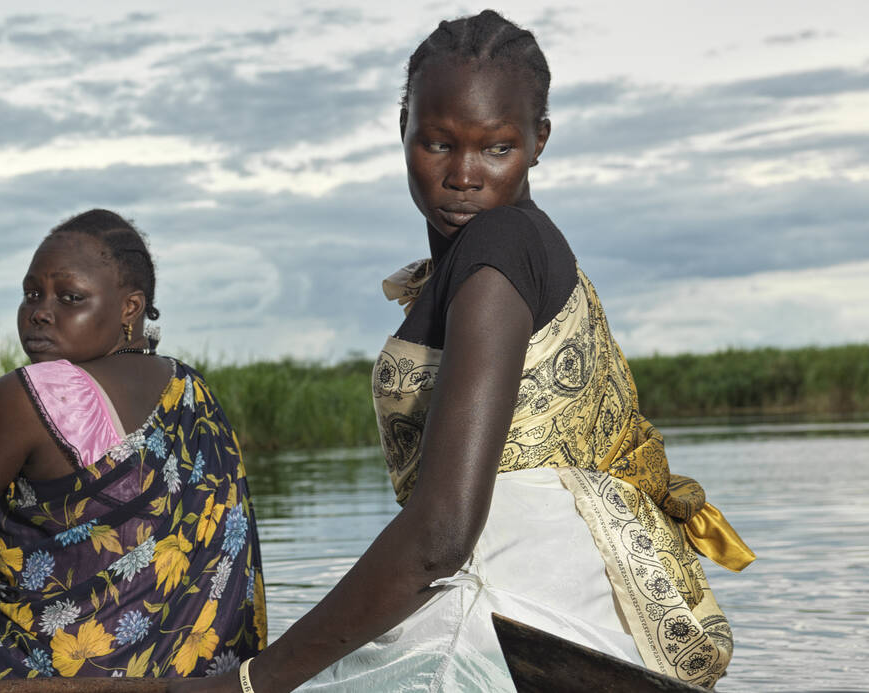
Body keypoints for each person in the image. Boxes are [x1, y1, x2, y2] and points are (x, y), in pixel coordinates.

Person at [189, 11, 756, 693]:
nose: (464, 175)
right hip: (598, 600)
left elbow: (443, 535)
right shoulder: (517, 248)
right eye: (437, 144)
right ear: (402, 126)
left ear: (539, 140)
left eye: (497, 148)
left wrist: (255, 679)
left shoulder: (500, 249)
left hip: (507, 602)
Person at [0, 210, 266, 682]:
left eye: (70, 297)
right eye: (32, 294)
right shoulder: (191, 389)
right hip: (199, 678)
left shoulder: (32, 393)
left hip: (45, 678)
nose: (40, 312)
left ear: (130, 308)